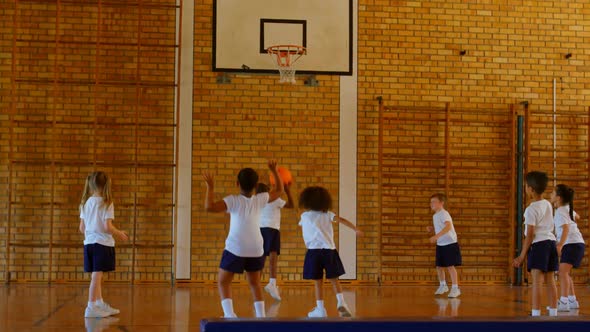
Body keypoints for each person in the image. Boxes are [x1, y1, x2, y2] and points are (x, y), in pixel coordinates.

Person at [203, 160, 283, 318]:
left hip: (236, 248)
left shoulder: (232, 200)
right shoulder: (260, 199)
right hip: (256, 249)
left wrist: (210, 187)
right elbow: (279, 190)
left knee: (223, 282)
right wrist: (274, 171)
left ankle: (229, 314)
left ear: (237, 183)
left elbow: (209, 207)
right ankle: (261, 316)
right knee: (255, 283)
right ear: (255, 185)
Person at [298, 186, 362, 318]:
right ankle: (341, 302)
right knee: (334, 279)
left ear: (308, 200)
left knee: (318, 282)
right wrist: (355, 229)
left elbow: (302, 224)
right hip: (329, 251)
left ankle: (320, 309)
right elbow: (342, 220)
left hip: (313, 252)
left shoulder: (304, 215)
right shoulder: (327, 214)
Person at [80, 171, 129, 318]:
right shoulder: (107, 202)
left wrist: (90, 235)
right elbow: (107, 226)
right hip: (101, 243)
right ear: (105, 185)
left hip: (89, 243)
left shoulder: (85, 203)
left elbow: (81, 228)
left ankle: (99, 303)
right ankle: (90, 306)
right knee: (97, 275)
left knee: (97, 275)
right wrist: (119, 233)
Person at [513, 171, 558, 316]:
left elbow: (530, 235)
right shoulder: (547, 204)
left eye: (526, 186)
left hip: (539, 245)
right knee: (550, 280)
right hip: (551, 243)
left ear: (531, 189)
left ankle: (536, 313)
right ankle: (553, 312)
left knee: (537, 281)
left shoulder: (531, 209)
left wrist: (521, 256)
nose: (525, 188)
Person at [255, 181, 294, 301]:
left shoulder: (256, 200)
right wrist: (287, 191)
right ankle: (271, 283)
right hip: (270, 230)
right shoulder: (271, 199)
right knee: (271, 259)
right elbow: (291, 205)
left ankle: (260, 286)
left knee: (261, 259)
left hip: (260, 230)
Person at [551, 184, 585, 311]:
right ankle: (572, 300)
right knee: (566, 273)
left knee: (562, 272)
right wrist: (573, 218)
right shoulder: (567, 208)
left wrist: (560, 244)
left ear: (558, 198)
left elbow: (566, 228)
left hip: (572, 244)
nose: (551, 195)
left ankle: (564, 301)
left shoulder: (560, 211)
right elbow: (577, 217)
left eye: (552, 193)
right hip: (576, 244)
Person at [427, 193, 461, 298]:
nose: (431, 204)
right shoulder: (435, 215)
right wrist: (433, 229)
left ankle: (455, 288)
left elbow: (448, 227)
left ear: (441, 203)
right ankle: (443, 285)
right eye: (431, 202)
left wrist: (436, 236)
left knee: (450, 266)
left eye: (434, 202)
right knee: (439, 266)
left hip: (450, 243)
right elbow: (441, 227)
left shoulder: (444, 213)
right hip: (441, 244)